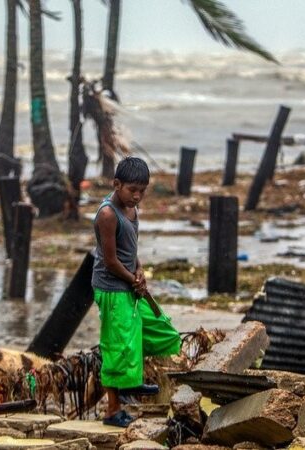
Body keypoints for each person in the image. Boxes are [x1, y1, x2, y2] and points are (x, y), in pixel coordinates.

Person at [92, 157, 181, 427]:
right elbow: (110, 260)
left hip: (129, 282)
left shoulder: (133, 209)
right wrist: (133, 279)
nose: (138, 196)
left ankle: (131, 381)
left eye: (142, 190)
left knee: (162, 331)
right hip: (112, 287)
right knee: (116, 345)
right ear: (116, 184)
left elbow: (130, 251)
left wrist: (139, 270)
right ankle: (113, 410)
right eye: (132, 190)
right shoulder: (108, 214)